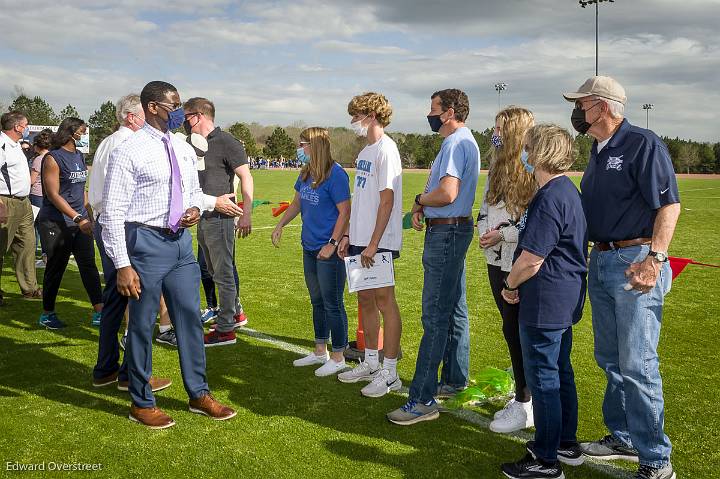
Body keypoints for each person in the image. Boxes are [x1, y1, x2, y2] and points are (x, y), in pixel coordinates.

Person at [563, 76, 680, 479]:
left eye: (584, 104)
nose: (578, 112)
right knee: (610, 358)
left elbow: (669, 206)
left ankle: (656, 459)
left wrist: (655, 260)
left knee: (638, 362)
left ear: (606, 107)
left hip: (634, 261)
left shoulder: (642, 143)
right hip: (603, 259)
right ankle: (625, 436)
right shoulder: (597, 148)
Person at [101, 81, 235, 429]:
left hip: (180, 244)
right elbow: (113, 212)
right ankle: (141, 402)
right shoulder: (128, 150)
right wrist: (122, 264)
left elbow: (191, 192)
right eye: (173, 104)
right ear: (152, 107)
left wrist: (196, 207)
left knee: (189, 318)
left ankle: (198, 393)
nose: (179, 110)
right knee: (143, 324)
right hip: (144, 243)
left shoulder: (182, 146)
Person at [498, 124, 588, 479]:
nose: (524, 154)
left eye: (528, 148)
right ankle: (565, 442)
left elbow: (532, 258)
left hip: (546, 299)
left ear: (540, 153)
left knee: (545, 378)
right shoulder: (567, 190)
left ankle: (547, 459)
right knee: (560, 370)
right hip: (562, 297)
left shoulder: (550, 195)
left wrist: (510, 282)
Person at [387, 89, 479, 425]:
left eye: (433, 109)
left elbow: (447, 192)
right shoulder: (464, 140)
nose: (430, 114)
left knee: (436, 316)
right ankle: (454, 379)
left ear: (450, 112)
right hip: (454, 229)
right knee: (454, 306)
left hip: (447, 231)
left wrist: (419, 199)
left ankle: (422, 398)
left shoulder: (456, 142)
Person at [90, 93, 173, 391]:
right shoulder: (127, 144)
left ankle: (106, 369)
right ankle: (131, 375)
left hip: (107, 224)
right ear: (130, 116)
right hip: (124, 228)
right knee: (135, 300)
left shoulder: (108, 142)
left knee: (114, 299)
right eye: (143, 116)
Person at [336, 92, 404, 398]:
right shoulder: (365, 153)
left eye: (357, 116)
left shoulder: (387, 150)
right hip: (359, 240)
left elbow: (386, 201)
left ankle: (391, 372)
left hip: (379, 242)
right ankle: (371, 362)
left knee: (384, 301)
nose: (354, 123)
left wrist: (374, 243)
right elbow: (361, 199)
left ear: (372, 116)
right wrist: (349, 235)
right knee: (364, 301)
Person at [271, 127, 351, 377]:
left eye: (302, 144)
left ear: (314, 146)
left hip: (329, 251)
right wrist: (281, 224)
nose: (298, 148)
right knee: (317, 301)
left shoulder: (336, 175)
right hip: (309, 247)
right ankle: (320, 351)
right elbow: (297, 203)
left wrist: (333, 243)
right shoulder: (306, 172)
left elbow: (345, 212)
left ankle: (338, 356)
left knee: (333, 303)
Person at [477, 106, 537, 434]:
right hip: (495, 259)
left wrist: (504, 233)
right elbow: (486, 207)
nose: (494, 133)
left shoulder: (531, 170)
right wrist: (485, 231)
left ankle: (527, 402)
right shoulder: (496, 167)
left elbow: (532, 222)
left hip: (519, 261)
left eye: (499, 127)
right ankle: (524, 396)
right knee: (508, 327)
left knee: (518, 330)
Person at [182, 97, 249, 346]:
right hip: (203, 214)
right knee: (212, 269)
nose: (184, 122)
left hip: (221, 217)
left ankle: (225, 330)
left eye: (187, 116)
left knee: (222, 273)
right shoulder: (191, 144)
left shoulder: (226, 141)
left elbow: (246, 176)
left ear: (198, 115)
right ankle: (235, 312)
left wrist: (247, 212)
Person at [36, 117, 103, 329]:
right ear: (71, 132)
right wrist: (77, 217)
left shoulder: (79, 156)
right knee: (56, 267)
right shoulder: (52, 158)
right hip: (56, 221)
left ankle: (100, 312)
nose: (83, 135)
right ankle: (47, 314)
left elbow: (80, 189)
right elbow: (53, 194)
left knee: (88, 266)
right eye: (82, 131)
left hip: (79, 221)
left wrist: (89, 215)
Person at [0, 111, 42, 306]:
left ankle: (30, 288)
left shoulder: (16, 145)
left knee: (28, 243)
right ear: (17, 126)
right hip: (6, 202)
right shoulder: (2, 145)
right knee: (1, 247)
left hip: (23, 202)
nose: (26, 128)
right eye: (25, 125)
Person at [29, 129, 53, 263]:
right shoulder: (53, 156)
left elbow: (32, 180)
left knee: (33, 226)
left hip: (37, 195)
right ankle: (46, 253)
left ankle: (35, 254)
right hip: (48, 195)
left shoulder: (38, 159)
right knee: (45, 225)